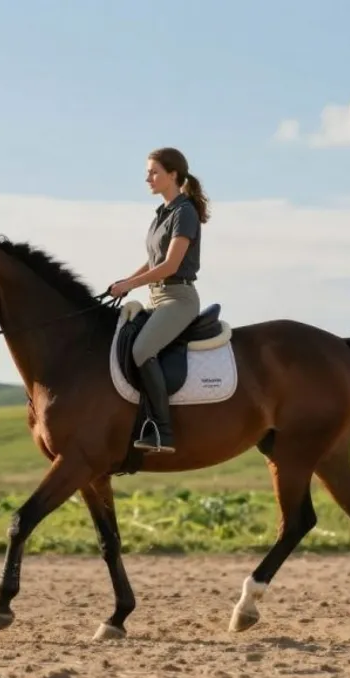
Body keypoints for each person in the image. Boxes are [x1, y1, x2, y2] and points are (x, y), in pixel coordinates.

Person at [107, 147, 210, 453]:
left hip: (179, 299)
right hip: (156, 297)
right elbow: (154, 262)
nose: (147, 178)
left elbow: (170, 266)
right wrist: (125, 283)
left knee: (141, 349)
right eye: (148, 172)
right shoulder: (162, 215)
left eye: (154, 172)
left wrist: (131, 283)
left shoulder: (185, 212)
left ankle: (162, 431)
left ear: (173, 175)